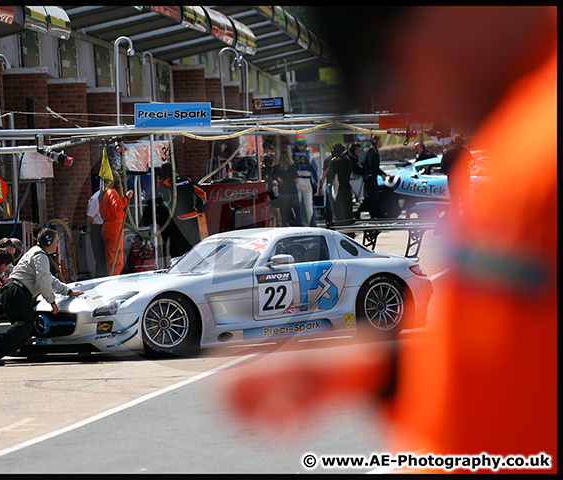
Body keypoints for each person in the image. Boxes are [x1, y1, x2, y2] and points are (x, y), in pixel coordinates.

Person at [224, 6, 556, 474]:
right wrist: (381, 373)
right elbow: (517, 358)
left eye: (389, 64)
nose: (403, 94)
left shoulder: (538, 157)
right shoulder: (522, 134)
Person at [0, 228, 83, 366]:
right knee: (25, 325)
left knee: (24, 330)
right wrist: (52, 302)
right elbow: (42, 281)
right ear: (49, 241)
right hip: (17, 290)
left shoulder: (37, 253)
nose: (57, 244)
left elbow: (49, 279)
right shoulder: (40, 255)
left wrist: (68, 291)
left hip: (15, 290)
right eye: (56, 241)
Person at [156, 162, 208, 259]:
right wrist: (198, 207)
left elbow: (165, 203)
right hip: (192, 218)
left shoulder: (163, 184)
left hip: (176, 220)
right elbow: (203, 193)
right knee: (192, 248)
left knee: (177, 250)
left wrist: (161, 218)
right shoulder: (187, 180)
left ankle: (178, 271)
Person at [99, 171, 134, 275]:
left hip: (108, 226)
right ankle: (114, 276)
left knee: (111, 255)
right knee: (116, 257)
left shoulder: (105, 193)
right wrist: (126, 198)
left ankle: (112, 275)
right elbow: (116, 208)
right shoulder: (112, 193)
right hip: (114, 227)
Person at [357, 135, 389, 219]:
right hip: (370, 178)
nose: (381, 142)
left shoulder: (375, 151)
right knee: (372, 196)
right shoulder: (371, 151)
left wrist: (383, 173)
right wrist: (382, 174)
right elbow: (372, 166)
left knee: (374, 196)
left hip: (373, 177)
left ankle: (375, 213)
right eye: (379, 140)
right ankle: (361, 211)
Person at [440, 134, 471, 217]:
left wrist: (447, 172)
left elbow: (443, 165)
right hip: (463, 176)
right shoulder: (465, 150)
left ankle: (455, 216)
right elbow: (471, 161)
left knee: (454, 198)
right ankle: (466, 215)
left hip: (453, 177)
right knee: (465, 197)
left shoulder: (448, 151)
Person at [325, 142, 356, 224]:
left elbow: (329, 174)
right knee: (348, 210)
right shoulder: (348, 160)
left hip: (338, 187)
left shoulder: (334, 161)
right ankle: (350, 231)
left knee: (338, 211)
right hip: (347, 187)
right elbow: (350, 173)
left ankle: (341, 229)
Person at [291, 135, 318, 226]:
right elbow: (314, 170)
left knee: (295, 203)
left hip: (295, 181)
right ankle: (310, 222)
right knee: (308, 204)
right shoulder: (310, 156)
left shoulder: (291, 156)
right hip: (307, 180)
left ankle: (296, 221)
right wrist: (317, 182)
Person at [273, 150, 303, 226]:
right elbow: (296, 181)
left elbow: (272, 177)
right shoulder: (292, 167)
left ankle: (284, 226)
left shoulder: (276, 167)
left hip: (283, 193)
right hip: (293, 192)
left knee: (284, 212)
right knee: (298, 212)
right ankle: (299, 226)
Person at [86, 189, 108, 278]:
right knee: (105, 256)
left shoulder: (96, 198)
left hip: (99, 228)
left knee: (100, 256)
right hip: (107, 227)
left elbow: (90, 216)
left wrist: (88, 227)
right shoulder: (113, 195)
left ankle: (102, 276)